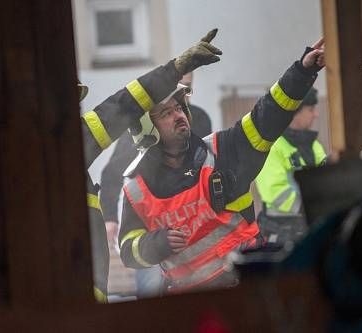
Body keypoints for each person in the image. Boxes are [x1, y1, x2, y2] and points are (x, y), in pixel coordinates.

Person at [118, 30, 326, 294]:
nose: (178, 116)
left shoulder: (222, 150)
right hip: (190, 302)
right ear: (146, 129)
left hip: (247, 286)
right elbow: (128, 250)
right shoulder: (136, 190)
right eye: (165, 113)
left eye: (179, 108)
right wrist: (155, 244)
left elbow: (268, 114)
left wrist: (303, 71)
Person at [79, 29, 223, 300]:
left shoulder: (201, 128)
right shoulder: (72, 143)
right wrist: (175, 68)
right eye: (166, 112)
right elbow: (122, 106)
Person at [99, 72, 212, 298]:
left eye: (187, 89)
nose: (182, 99)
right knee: (152, 290)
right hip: (150, 224)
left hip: (192, 223)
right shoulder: (144, 127)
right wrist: (111, 217)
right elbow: (112, 172)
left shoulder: (198, 119)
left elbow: (207, 165)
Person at [254, 87, 327, 250]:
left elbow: (329, 185)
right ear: (295, 112)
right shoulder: (271, 147)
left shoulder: (315, 146)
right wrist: (316, 206)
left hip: (310, 229)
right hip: (281, 236)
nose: (316, 114)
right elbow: (278, 194)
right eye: (311, 109)